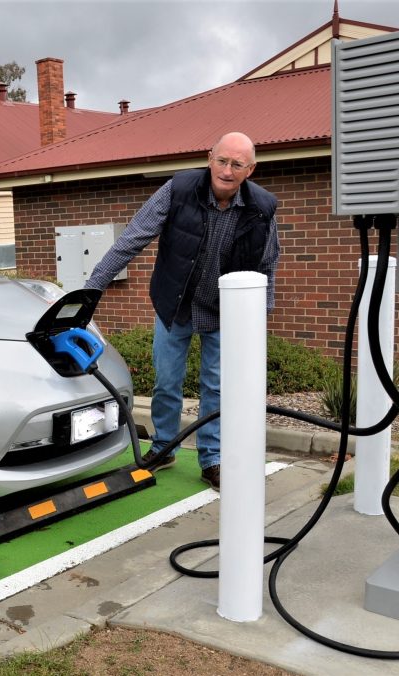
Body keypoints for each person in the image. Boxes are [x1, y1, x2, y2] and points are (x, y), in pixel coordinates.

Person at [85, 132, 279, 491]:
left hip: (224, 313)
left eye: (237, 164)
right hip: (175, 304)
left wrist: (258, 318)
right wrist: (93, 286)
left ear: (250, 169)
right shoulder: (178, 189)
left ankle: (212, 459)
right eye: (222, 160)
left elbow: (267, 265)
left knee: (216, 387)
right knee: (167, 381)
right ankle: (165, 447)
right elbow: (133, 237)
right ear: (210, 158)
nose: (227, 170)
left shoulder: (262, 208)